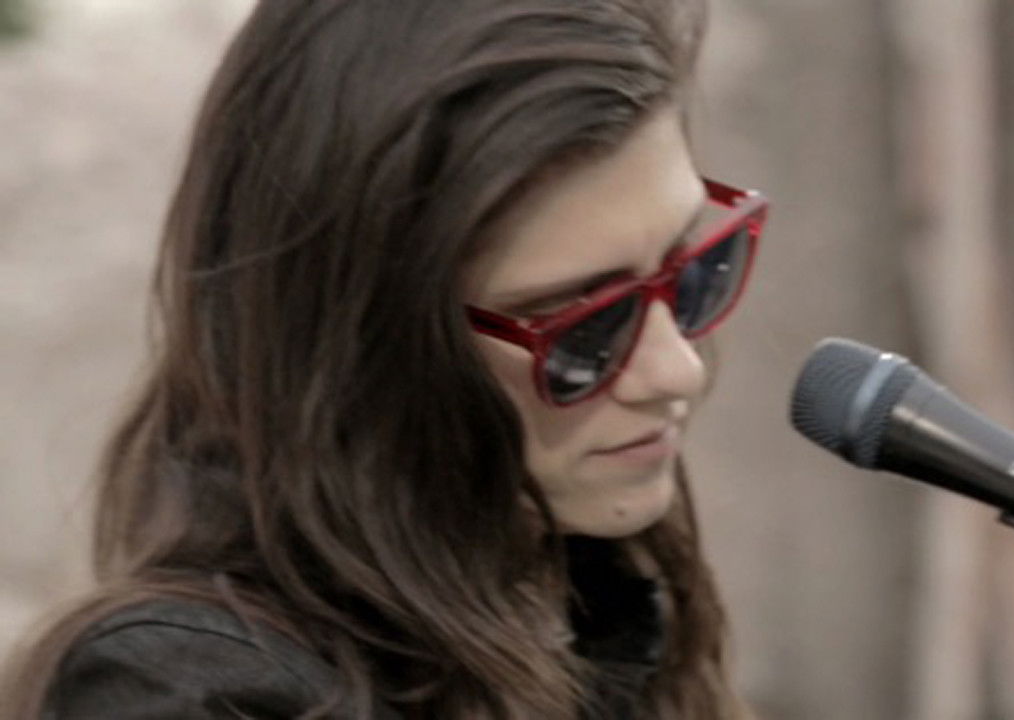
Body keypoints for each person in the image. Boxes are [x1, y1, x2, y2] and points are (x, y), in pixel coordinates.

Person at [0, 0, 770, 718]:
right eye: (582, 328)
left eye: (694, 272)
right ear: (363, 346)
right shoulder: (191, 693)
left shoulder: (600, 605)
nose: (678, 370)